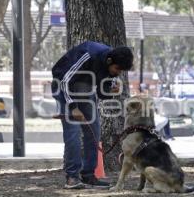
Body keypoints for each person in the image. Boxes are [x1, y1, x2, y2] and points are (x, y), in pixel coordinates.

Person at [51, 41, 133, 189]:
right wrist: (73, 107)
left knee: (94, 131)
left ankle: (88, 175)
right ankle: (72, 177)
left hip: (84, 88)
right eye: (117, 69)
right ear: (109, 61)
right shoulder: (89, 54)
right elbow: (64, 81)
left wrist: (111, 91)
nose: (118, 73)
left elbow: (102, 93)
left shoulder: (110, 67)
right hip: (63, 87)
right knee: (73, 133)